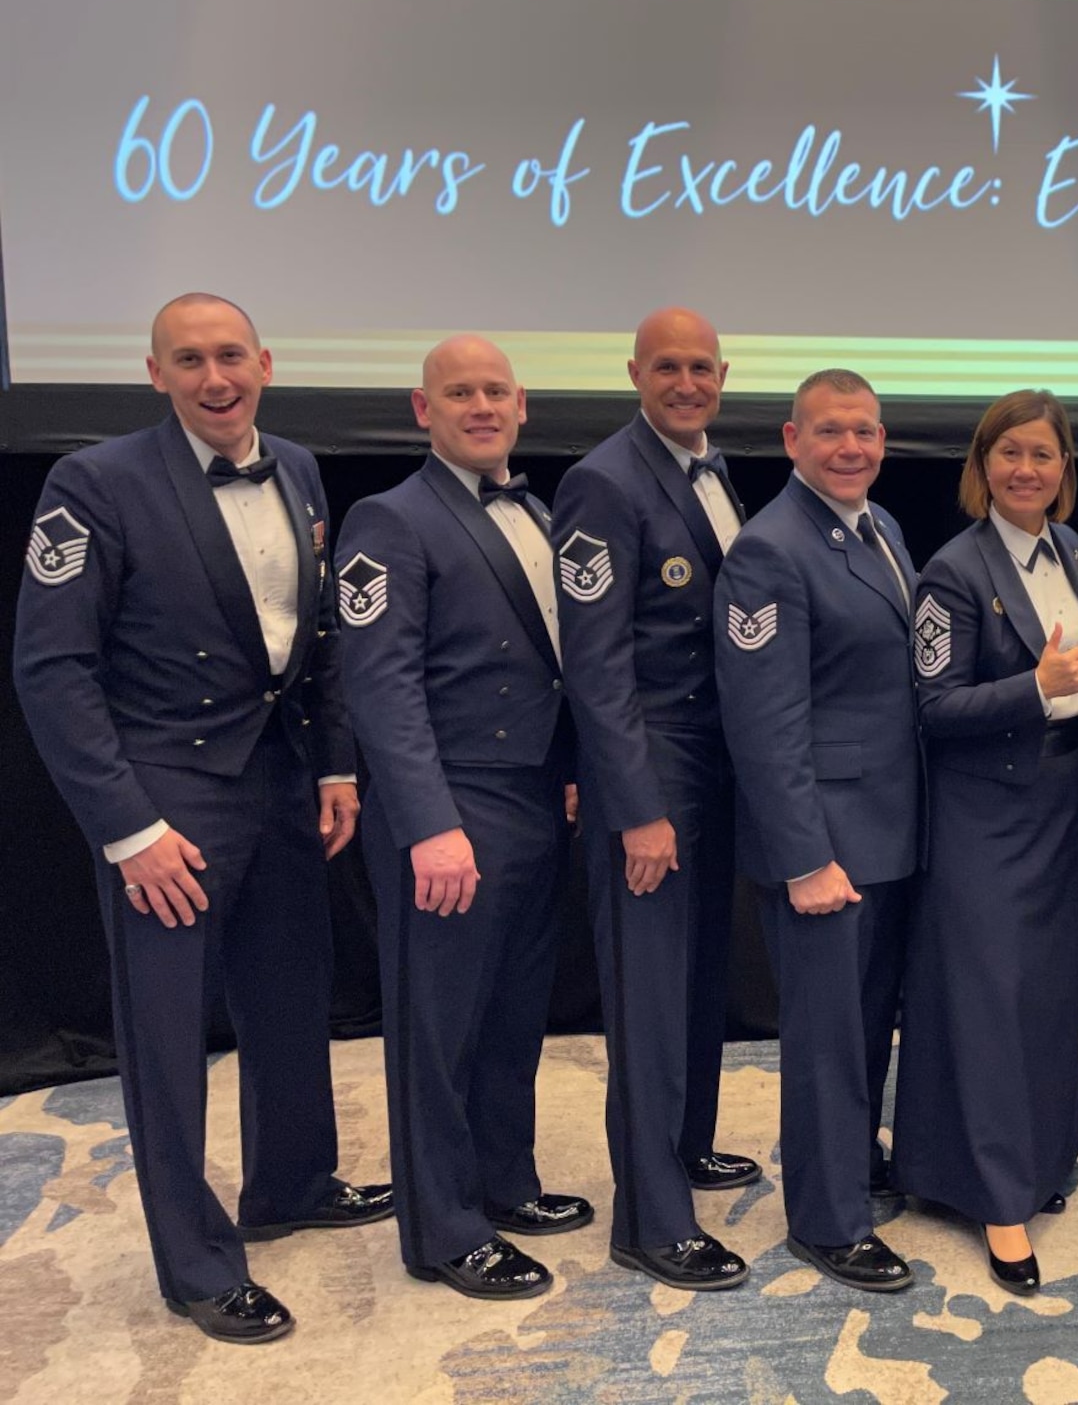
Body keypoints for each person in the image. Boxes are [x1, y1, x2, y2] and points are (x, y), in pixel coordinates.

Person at [13, 293, 390, 1343]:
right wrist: (126, 828)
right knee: (169, 1035)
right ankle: (194, 1263)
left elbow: (316, 640)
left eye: (230, 356)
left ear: (265, 362)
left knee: (288, 994)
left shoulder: (304, 469)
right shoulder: (93, 482)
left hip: (277, 782)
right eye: (191, 360)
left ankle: (292, 1183)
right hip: (164, 792)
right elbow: (52, 670)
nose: (215, 378)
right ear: (155, 373)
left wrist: (333, 769)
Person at [337, 335, 591, 1302]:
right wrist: (426, 822)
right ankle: (442, 1229)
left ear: (521, 406)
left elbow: (557, 668)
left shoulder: (540, 509)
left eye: (496, 391)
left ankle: (504, 1183)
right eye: (460, 392)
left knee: (513, 1014)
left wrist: (566, 770)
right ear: (422, 408)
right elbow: (381, 684)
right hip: (452, 803)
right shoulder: (388, 519)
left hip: (530, 795)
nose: (480, 405)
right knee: (437, 1026)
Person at [553, 307, 754, 1292]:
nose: (685, 383)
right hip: (654, 769)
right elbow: (593, 668)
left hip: (718, 766)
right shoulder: (602, 480)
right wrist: (633, 805)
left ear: (723, 375)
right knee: (646, 994)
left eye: (700, 368)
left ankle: (686, 1143)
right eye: (666, 367)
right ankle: (650, 1219)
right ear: (633, 371)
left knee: (700, 971)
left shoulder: (717, 473)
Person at [891, 390, 1078, 1296]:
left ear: (1064, 471)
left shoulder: (1072, 551)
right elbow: (933, 708)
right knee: (985, 1002)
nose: (1027, 470)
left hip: (1059, 809)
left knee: (1047, 996)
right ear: (981, 467)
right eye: (1010, 454)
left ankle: (1041, 1157)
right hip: (985, 817)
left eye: (1044, 456)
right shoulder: (952, 569)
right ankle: (994, 1197)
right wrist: (1033, 686)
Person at [713, 369, 922, 1293]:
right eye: (831, 432)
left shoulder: (883, 528)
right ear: (791, 439)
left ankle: (851, 1163)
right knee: (828, 1036)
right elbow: (763, 723)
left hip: (885, 830)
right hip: (825, 843)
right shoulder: (768, 550)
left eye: (866, 432)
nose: (852, 448)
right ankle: (827, 1220)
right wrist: (804, 857)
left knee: (866, 1025)